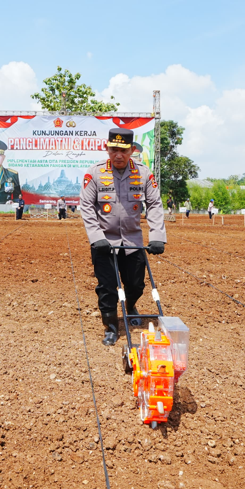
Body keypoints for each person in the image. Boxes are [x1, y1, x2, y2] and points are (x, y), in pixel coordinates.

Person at [81, 128, 166, 345]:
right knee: (107, 287)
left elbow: (155, 204)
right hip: (104, 243)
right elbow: (87, 206)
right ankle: (110, 326)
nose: (118, 155)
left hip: (133, 241)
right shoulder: (95, 173)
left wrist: (157, 235)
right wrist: (96, 236)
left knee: (136, 284)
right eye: (114, 149)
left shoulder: (144, 173)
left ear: (132, 150)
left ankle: (130, 306)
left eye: (123, 150)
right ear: (106, 148)